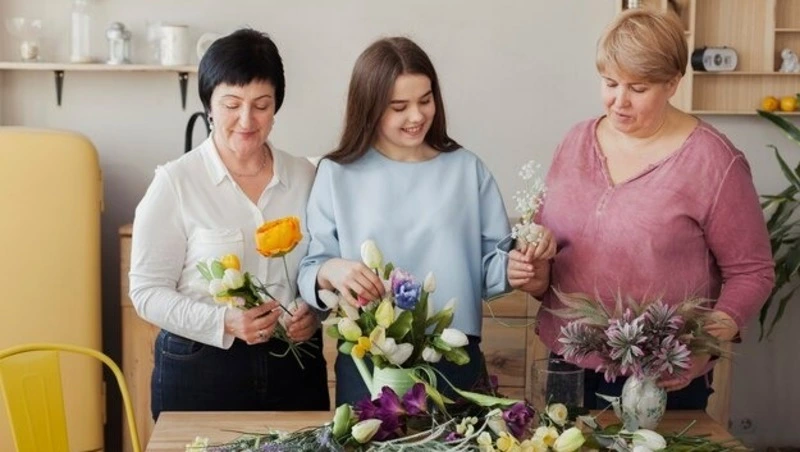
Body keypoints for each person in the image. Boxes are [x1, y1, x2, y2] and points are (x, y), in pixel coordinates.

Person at [509, 8, 774, 409]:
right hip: (567, 363)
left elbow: (752, 272)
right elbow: (552, 258)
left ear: (672, 83)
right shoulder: (576, 142)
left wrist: (703, 345)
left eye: (638, 88)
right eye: (610, 83)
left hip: (660, 379)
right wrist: (531, 271)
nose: (619, 101)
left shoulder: (713, 161)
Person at [298, 36, 512, 405]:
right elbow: (309, 269)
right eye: (399, 106)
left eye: (425, 100)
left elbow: (493, 268)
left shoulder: (466, 169)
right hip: (369, 362)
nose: (417, 116)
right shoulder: (336, 174)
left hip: (454, 360)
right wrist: (333, 269)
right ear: (370, 108)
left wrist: (523, 267)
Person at [129, 28, 328, 419]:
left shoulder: (307, 176)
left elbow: (322, 266)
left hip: (295, 364)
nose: (246, 120)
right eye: (231, 104)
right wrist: (224, 321)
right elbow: (146, 291)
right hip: (200, 369)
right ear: (209, 105)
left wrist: (315, 311)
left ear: (276, 107)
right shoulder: (176, 182)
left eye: (261, 105)